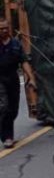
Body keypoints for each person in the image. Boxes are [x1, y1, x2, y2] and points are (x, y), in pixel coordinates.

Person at [0, 18, 37, 148]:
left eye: (5, 28)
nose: (4, 30)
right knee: (4, 106)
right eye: (1, 29)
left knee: (13, 110)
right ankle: (7, 137)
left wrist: (31, 78)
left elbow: (24, 61)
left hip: (12, 78)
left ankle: (6, 132)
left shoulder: (15, 44)